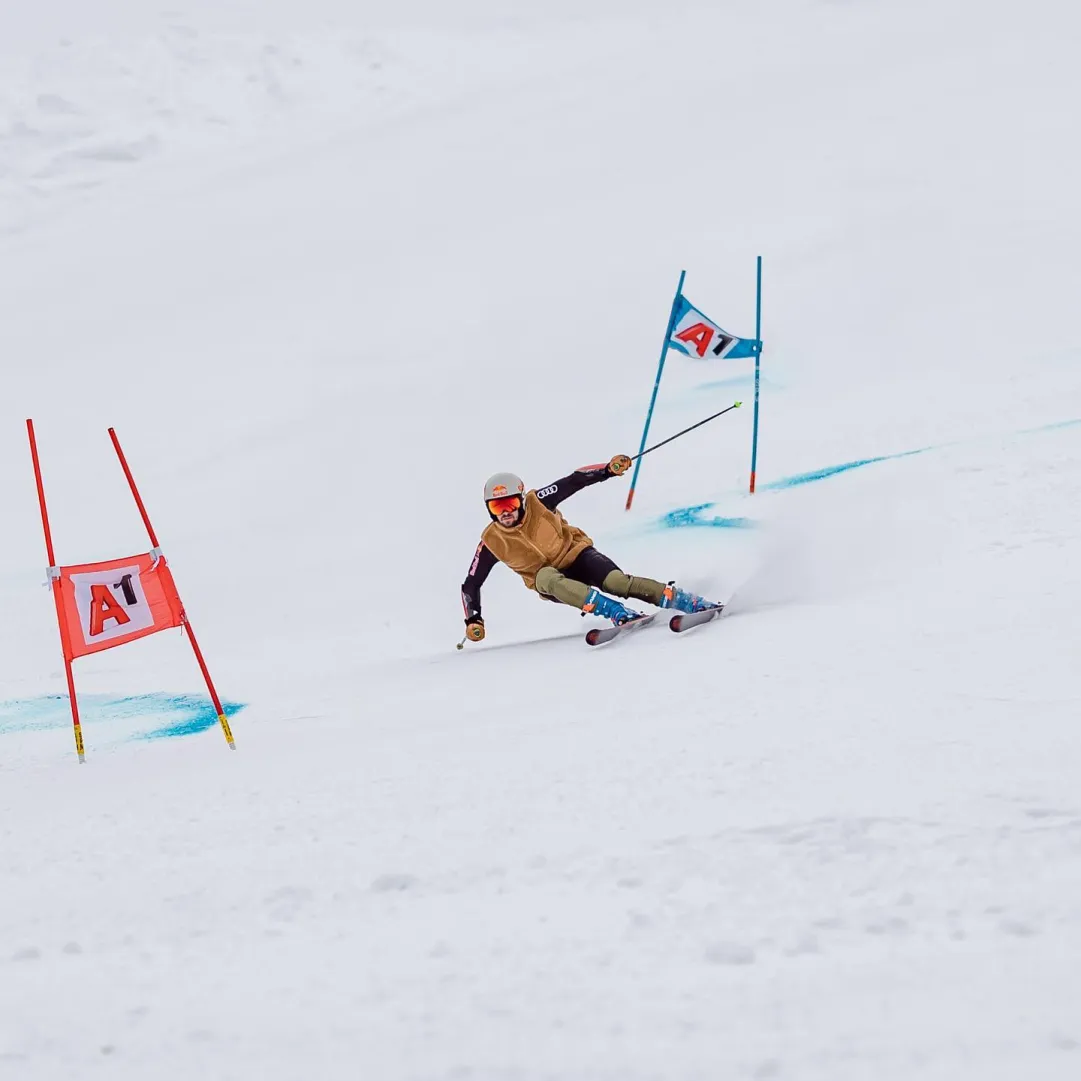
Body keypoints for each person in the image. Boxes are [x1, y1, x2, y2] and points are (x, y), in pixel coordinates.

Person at [460, 456, 718, 643]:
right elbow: (470, 584)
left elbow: (574, 480)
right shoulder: (491, 541)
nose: (505, 512)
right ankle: (617, 613)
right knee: (546, 577)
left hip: (577, 555)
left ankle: (688, 601)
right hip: (551, 581)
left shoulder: (538, 501)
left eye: (510, 503)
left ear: (521, 499)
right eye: (496, 508)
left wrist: (607, 469)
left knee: (617, 582)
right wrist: (474, 620)